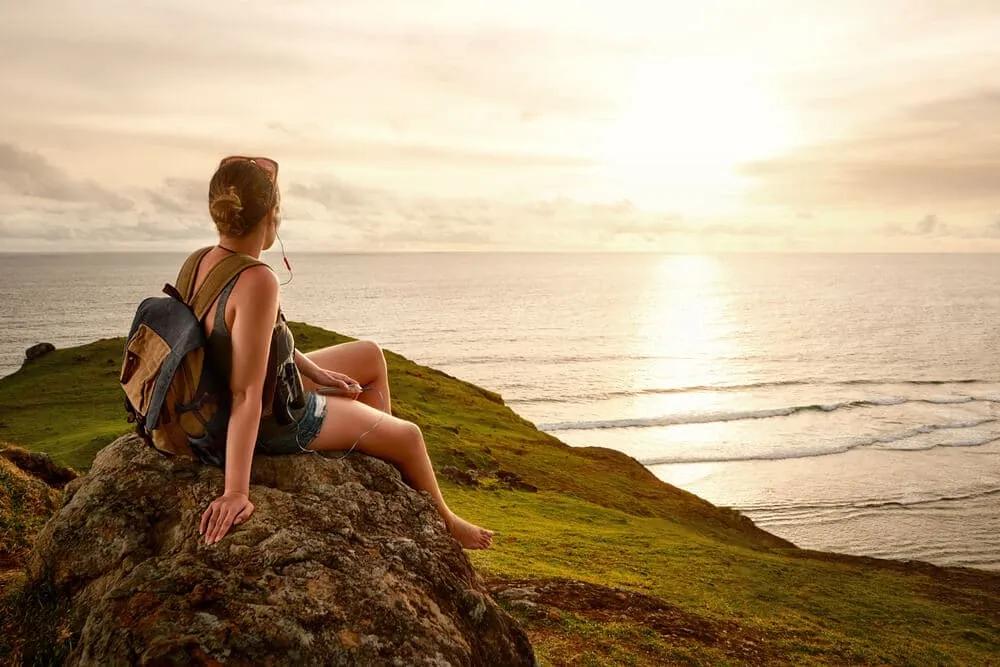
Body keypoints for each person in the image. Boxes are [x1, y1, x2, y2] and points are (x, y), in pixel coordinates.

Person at [192, 155, 494, 550]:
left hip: (230, 397)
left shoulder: (203, 261)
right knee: (410, 437)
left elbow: (253, 343)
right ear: (271, 216)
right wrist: (236, 491)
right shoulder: (257, 280)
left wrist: (317, 372)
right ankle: (446, 522)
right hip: (275, 419)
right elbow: (246, 394)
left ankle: (377, 461)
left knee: (369, 354)